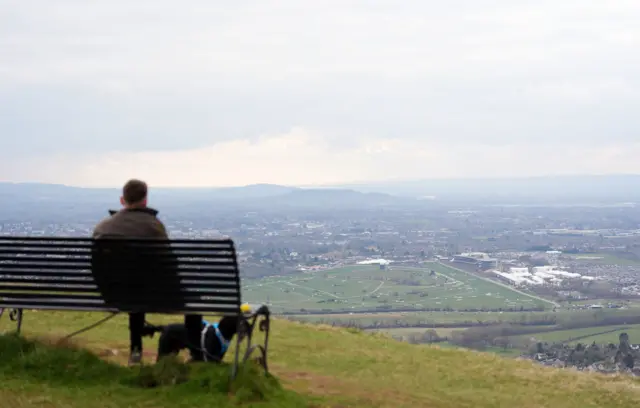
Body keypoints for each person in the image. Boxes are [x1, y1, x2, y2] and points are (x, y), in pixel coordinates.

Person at [92, 179, 203, 365]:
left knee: (135, 291)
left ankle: (136, 352)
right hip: (149, 295)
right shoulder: (153, 227)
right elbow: (169, 265)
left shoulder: (103, 227)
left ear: (122, 200)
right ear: (145, 200)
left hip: (113, 294)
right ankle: (197, 356)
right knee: (194, 302)